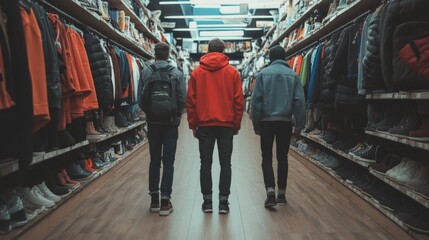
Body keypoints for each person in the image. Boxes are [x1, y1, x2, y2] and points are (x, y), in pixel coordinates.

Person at [187, 38, 244, 214]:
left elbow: (191, 101)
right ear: (223, 51)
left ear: (207, 51)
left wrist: (193, 124)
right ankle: (224, 203)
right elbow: (238, 102)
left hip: (204, 125)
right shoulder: (233, 73)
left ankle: (207, 202)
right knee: (226, 164)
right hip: (226, 125)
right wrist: (235, 125)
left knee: (205, 163)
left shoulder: (197, 73)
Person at [251, 45, 305, 208]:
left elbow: (256, 101)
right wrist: (299, 125)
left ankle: (270, 193)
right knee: (283, 157)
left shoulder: (262, 75)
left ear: (270, 59)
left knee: (266, 156)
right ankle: (282, 194)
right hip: (285, 122)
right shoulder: (293, 75)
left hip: (267, 121)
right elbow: (300, 102)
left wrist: (256, 123)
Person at [138, 42, 186, 216]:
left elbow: (140, 99)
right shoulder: (177, 73)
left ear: (154, 54)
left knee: (154, 161)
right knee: (169, 162)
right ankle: (166, 202)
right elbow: (182, 100)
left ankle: (154, 201)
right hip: (171, 123)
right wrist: (175, 114)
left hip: (153, 123)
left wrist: (151, 113)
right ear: (168, 55)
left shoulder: (146, 71)